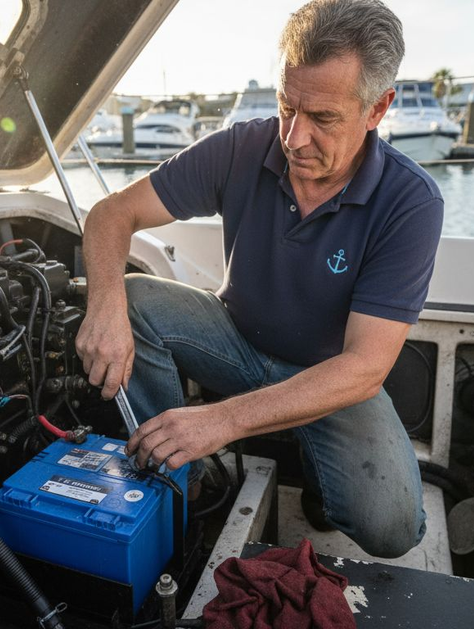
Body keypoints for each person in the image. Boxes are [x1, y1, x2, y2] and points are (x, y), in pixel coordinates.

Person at [75, 0, 443, 558]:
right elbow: (111, 215)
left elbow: (365, 367)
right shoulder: (244, 146)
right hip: (236, 339)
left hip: (332, 377)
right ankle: (178, 475)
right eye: (286, 107)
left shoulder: (411, 201)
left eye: (322, 119)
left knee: (392, 530)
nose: (294, 138)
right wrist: (102, 305)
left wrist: (221, 421)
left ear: (377, 109)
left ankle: (314, 475)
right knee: (133, 298)